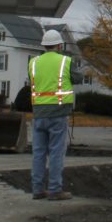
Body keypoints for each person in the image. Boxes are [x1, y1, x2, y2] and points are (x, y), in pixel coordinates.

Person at [29, 29, 75, 201]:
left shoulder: (33, 62)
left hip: (39, 113)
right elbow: (77, 78)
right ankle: (55, 190)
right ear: (59, 45)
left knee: (38, 152)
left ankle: (37, 190)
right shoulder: (65, 61)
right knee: (56, 152)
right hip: (58, 112)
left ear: (44, 46)